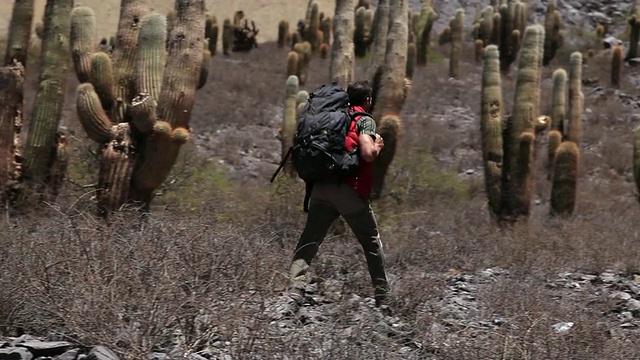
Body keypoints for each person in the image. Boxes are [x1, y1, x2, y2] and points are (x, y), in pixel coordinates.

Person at [283, 81, 389, 315]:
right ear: (368, 100)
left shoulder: (332, 116)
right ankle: (383, 300)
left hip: (321, 187)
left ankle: (295, 292)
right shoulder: (363, 119)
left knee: (309, 241)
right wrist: (378, 146)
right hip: (348, 190)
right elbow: (367, 153)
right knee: (371, 242)